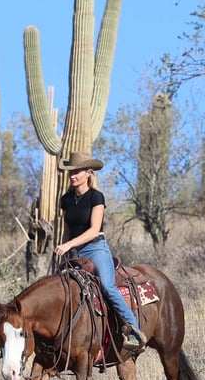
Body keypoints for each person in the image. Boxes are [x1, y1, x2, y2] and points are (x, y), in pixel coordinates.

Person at [54, 151, 146, 352]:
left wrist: (69, 245)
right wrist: (64, 250)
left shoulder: (96, 197)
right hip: (75, 253)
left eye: (77, 171)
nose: (73, 175)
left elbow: (94, 229)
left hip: (95, 248)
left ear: (88, 173)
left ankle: (134, 331)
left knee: (106, 285)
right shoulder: (66, 199)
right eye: (71, 171)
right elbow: (67, 230)